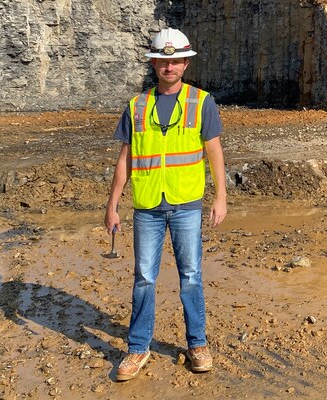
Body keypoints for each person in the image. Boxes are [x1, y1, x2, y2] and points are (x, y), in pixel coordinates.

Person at [104, 27, 227, 381]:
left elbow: (214, 151)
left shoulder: (202, 102)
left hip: (187, 203)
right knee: (144, 278)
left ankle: (197, 344)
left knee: (191, 276)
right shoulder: (136, 106)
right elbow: (125, 158)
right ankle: (138, 347)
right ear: (154, 63)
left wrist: (220, 197)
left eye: (175, 61)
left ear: (185, 63)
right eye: (162, 61)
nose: (168, 67)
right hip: (147, 206)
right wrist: (112, 204)